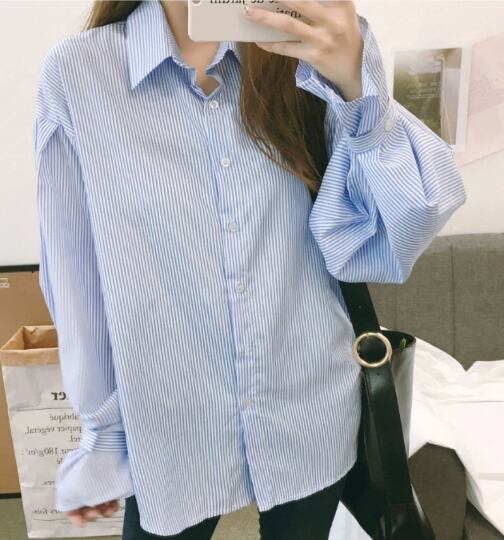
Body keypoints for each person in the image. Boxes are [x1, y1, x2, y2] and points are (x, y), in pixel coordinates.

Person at [33, 0, 466, 538]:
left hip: (311, 407)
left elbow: (391, 238)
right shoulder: (78, 74)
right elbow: (77, 274)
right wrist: (104, 434)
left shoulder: (312, 47)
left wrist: (359, 91)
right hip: (173, 423)